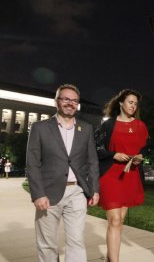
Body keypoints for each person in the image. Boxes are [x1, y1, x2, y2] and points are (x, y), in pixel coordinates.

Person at [26, 84, 100, 262]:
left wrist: (95, 189)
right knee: (47, 244)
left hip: (77, 192)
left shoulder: (86, 128)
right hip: (48, 194)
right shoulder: (40, 128)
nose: (70, 103)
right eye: (66, 99)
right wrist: (38, 194)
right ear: (56, 101)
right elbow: (32, 163)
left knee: (76, 241)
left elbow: (92, 161)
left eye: (74, 100)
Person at [95, 89, 148, 262]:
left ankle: (111, 259)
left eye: (135, 103)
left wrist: (139, 158)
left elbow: (142, 150)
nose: (133, 105)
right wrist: (113, 154)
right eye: (130, 102)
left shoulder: (140, 126)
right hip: (110, 174)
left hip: (130, 175)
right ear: (120, 103)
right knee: (115, 220)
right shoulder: (109, 124)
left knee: (121, 220)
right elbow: (96, 148)